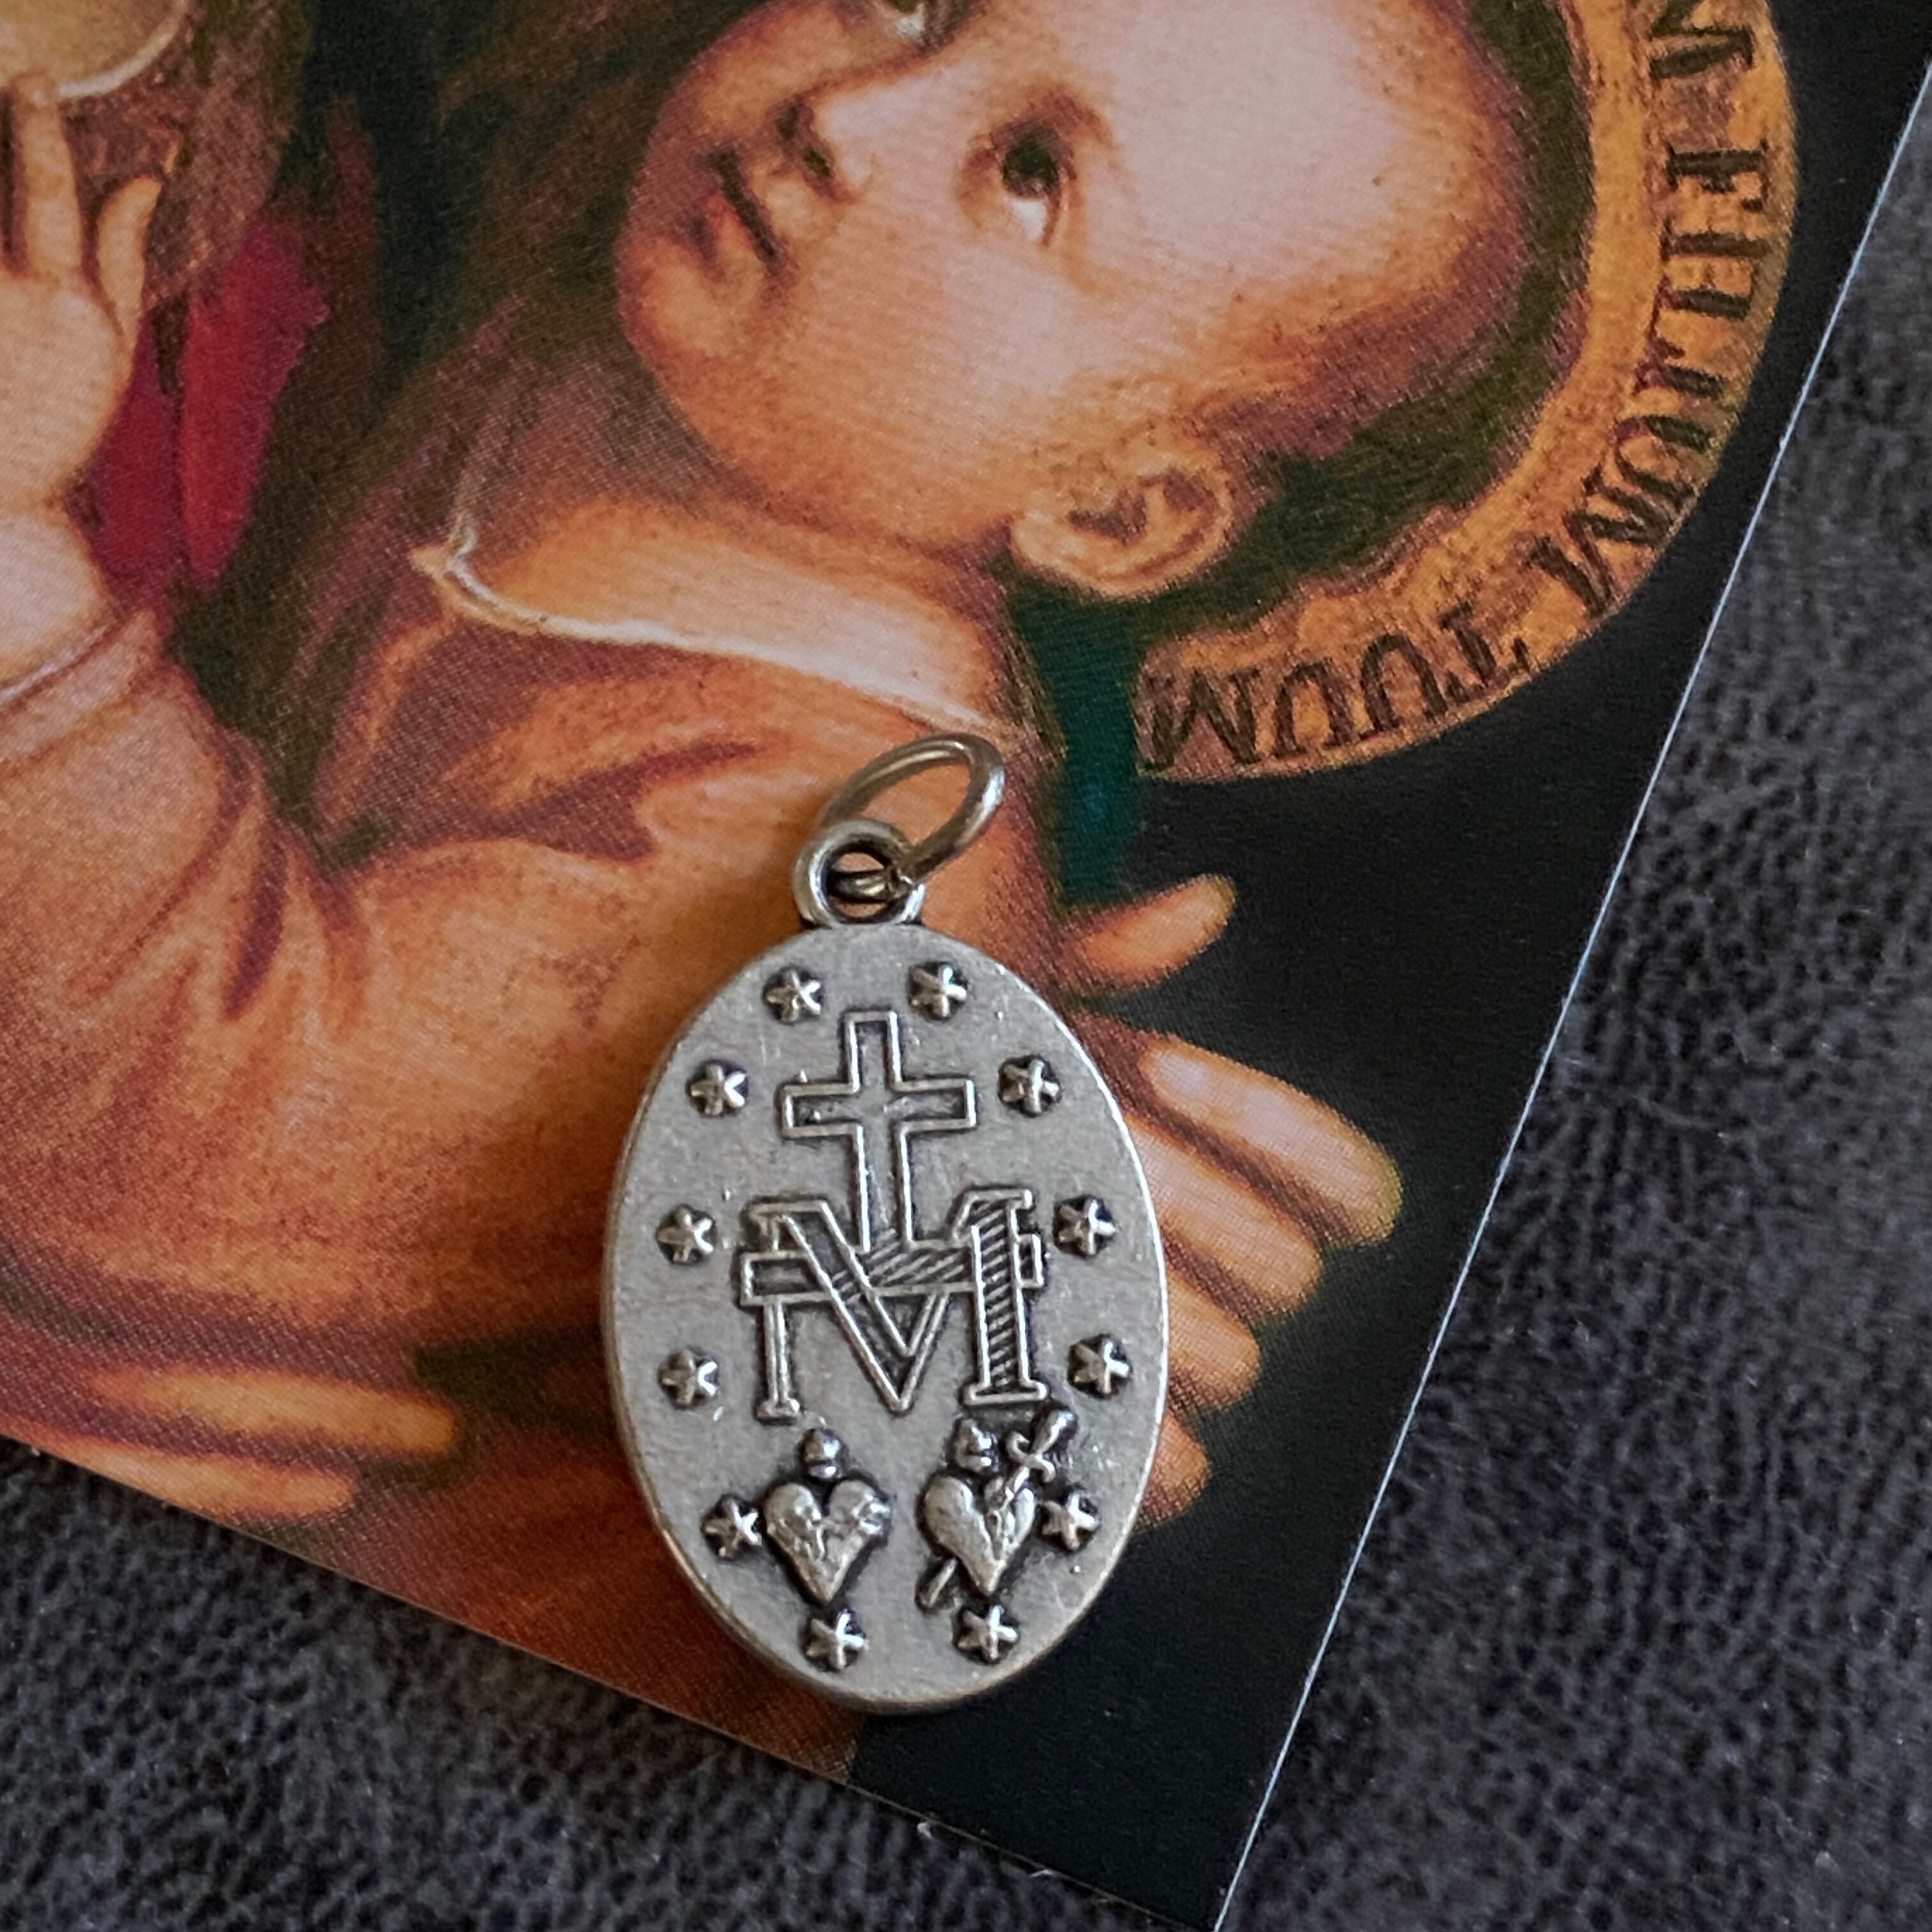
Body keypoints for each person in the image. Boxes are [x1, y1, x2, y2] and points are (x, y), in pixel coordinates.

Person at [0, 0, 1520, 1761]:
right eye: (920, 4)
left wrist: (17, 571)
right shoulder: (653, 366)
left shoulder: (807, 840)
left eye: (1031, 172)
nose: (849, 114)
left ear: (1115, 516)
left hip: (399, 1728)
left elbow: (203, 1146)